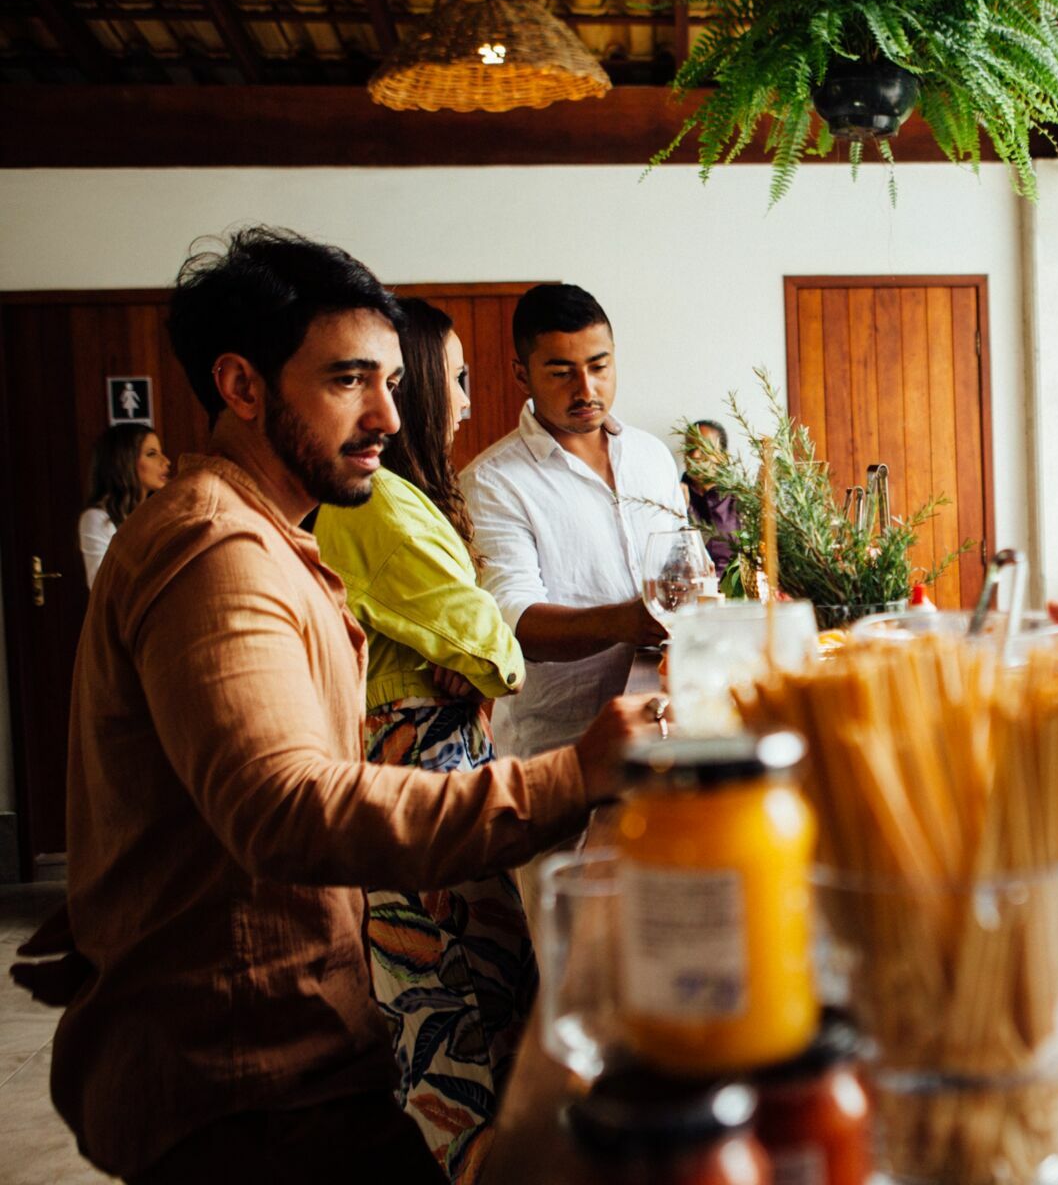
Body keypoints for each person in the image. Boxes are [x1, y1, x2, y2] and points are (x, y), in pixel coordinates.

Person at [51, 228, 654, 1183]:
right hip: (250, 1077)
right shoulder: (219, 553)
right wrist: (570, 777)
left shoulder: (268, 532)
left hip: (293, 1043)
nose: (385, 413)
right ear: (243, 387)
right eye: (346, 381)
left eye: (390, 380)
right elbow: (286, 807)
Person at [313, 298, 530, 1185]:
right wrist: (477, 660)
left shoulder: (390, 496)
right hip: (420, 765)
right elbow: (497, 645)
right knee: (463, 1016)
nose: (466, 401)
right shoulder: (383, 502)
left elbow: (468, 640)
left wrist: (466, 656)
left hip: (426, 756)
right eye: (455, 380)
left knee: (465, 1007)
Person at [460, 283, 683, 761]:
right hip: (558, 750)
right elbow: (514, 623)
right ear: (523, 375)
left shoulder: (652, 456)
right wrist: (628, 620)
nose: (586, 389)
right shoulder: (492, 482)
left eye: (599, 366)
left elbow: (681, 566)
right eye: (561, 372)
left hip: (662, 729)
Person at [76, 423, 171, 586]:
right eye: (151, 454)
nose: (166, 462)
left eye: (161, 453)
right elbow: (100, 586)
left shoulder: (162, 513)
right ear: (125, 460)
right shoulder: (97, 518)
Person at [682, 418, 741, 570]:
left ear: (723, 457)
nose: (695, 455)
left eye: (704, 448)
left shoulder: (740, 498)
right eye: (690, 448)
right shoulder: (673, 496)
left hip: (736, 589)